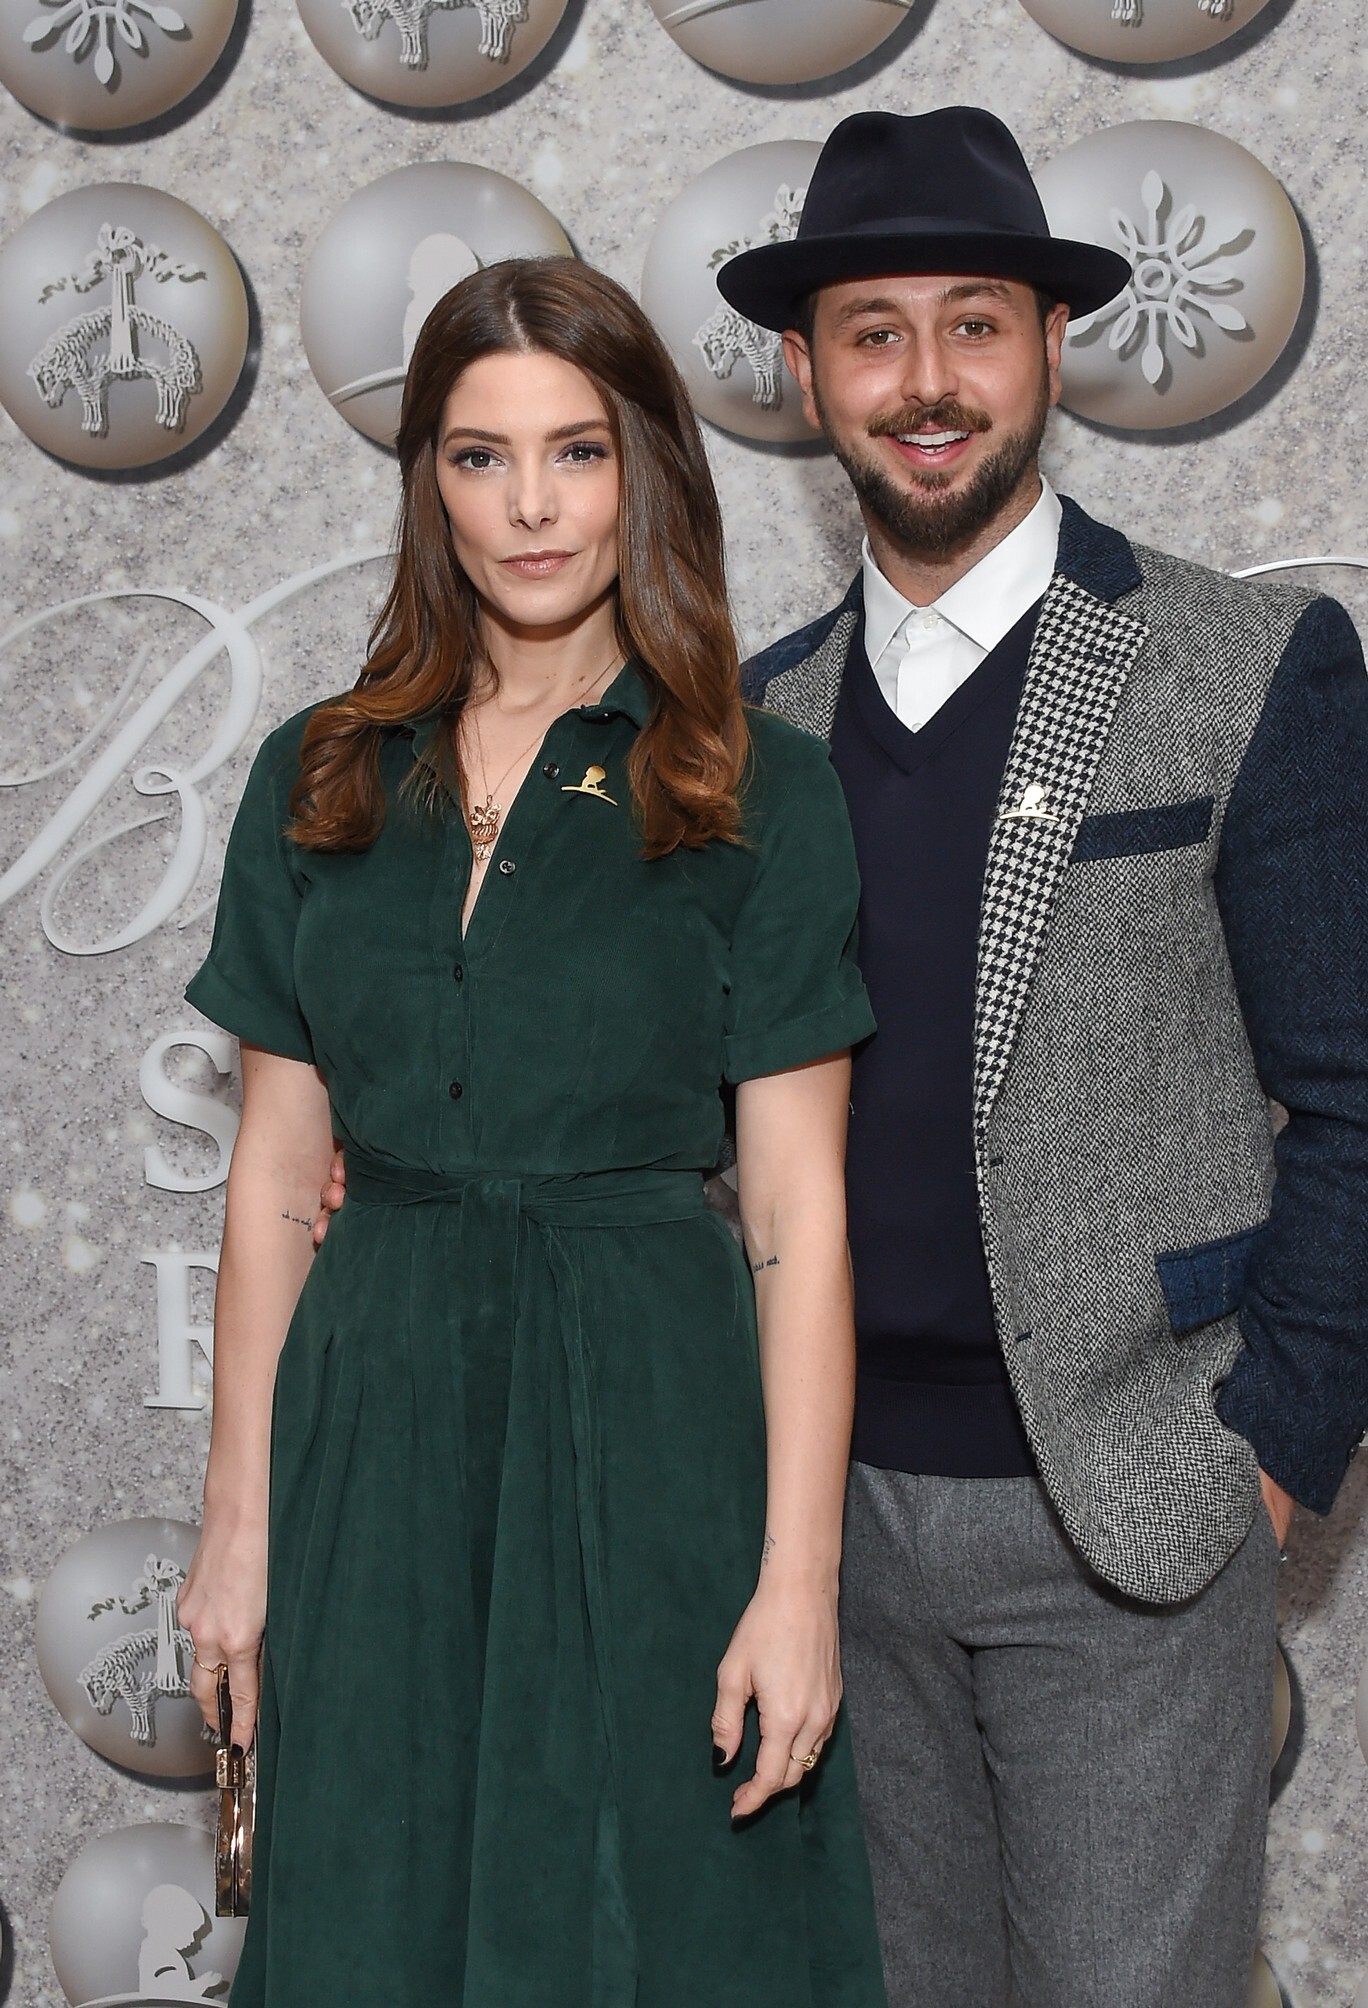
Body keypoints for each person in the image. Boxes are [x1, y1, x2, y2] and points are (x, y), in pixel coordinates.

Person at [714, 106, 1368, 2006]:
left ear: (1051, 345)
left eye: (976, 324)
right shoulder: (755, 725)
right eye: (874, 333)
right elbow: (703, 1113)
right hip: (824, 1525)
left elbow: (1367, 1096)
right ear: (803, 371)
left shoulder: (1244, 665)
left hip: (1130, 1507)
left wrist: (1263, 1455)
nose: (927, 381)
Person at [176, 257, 886, 2008]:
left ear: (643, 469)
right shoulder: (320, 776)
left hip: (651, 1424)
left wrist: (799, 1583)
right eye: (480, 457)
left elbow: (795, 1218)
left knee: (655, 1927)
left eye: (576, 451)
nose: (532, 506)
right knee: (372, 1912)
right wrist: (237, 1528)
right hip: (375, 1425)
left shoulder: (758, 786)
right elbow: (275, 1184)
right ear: (429, 481)